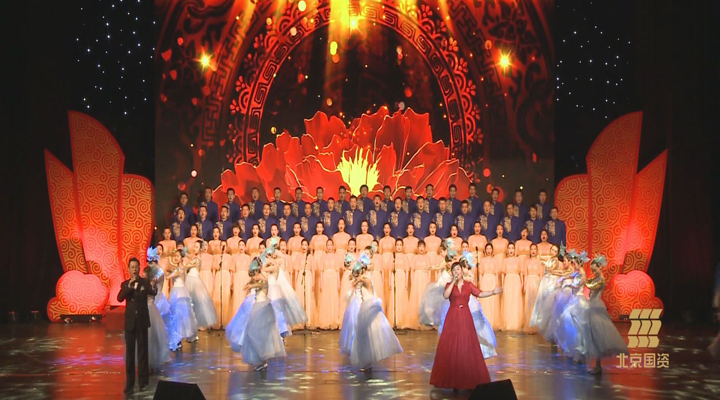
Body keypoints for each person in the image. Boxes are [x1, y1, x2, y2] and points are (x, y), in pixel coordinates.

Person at [429, 262, 496, 390]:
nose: (456, 272)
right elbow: (445, 295)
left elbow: (480, 293)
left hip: (465, 316)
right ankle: (452, 378)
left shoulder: (468, 285)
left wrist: (493, 292)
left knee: (466, 344)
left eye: (458, 269)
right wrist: (453, 282)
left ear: (462, 271)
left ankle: (468, 377)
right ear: (452, 273)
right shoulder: (449, 285)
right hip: (453, 316)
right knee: (451, 345)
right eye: (454, 270)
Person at [340, 252, 403, 372]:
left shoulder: (367, 279)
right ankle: (365, 361)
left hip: (368, 308)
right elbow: (352, 282)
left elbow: (365, 285)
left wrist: (358, 277)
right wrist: (354, 275)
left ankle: (367, 362)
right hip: (361, 306)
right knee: (361, 335)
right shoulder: (360, 279)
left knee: (369, 335)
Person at [225, 260, 286, 371]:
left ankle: (262, 361)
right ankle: (260, 360)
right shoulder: (258, 279)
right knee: (253, 334)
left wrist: (250, 285)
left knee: (260, 335)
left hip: (263, 308)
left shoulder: (263, 280)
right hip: (257, 307)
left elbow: (258, 284)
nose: (253, 277)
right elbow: (252, 284)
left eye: (254, 274)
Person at [118, 257, 157, 395]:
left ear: (139, 268)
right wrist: (129, 286)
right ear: (129, 269)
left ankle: (143, 383)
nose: (134, 269)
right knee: (130, 355)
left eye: (136, 267)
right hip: (130, 323)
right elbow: (119, 298)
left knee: (142, 353)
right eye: (132, 267)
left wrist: (154, 285)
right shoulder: (125, 284)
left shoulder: (144, 282)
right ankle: (129, 384)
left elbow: (153, 292)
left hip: (142, 322)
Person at [142, 251, 172, 372]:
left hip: (154, 303)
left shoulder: (158, 274)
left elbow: (155, 287)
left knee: (156, 333)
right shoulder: (147, 277)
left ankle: (153, 359)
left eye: (151, 261)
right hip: (147, 306)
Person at [166, 250, 198, 346]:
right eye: (175, 256)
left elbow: (168, 277)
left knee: (178, 316)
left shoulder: (179, 269)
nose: (175, 258)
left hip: (179, 293)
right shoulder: (178, 268)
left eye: (177, 256)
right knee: (177, 315)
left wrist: (167, 273)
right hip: (177, 291)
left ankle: (178, 338)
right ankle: (178, 338)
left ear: (181, 258)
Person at [184, 241, 218, 330]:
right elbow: (188, 256)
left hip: (194, 280)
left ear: (200, 249)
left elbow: (188, 265)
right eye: (194, 246)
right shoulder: (194, 257)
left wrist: (182, 264)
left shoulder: (198, 259)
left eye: (197, 247)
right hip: (190, 278)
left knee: (196, 301)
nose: (194, 248)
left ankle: (197, 323)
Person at [408, 240, 432, 329]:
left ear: (425, 248)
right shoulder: (414, 258)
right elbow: (412, 271)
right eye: (420, 246)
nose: (421, 248)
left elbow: (429, 271)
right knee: (416, 297)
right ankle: (416, 321)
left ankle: (425, 321)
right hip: (417, 278)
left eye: (423, 247)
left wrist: (429, 281)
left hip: (424, 278)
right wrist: (412, 281)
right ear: (417, 248)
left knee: (424, 297)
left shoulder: (427, 258)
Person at [318, 239, 341, 329]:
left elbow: (337, 271)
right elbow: (321, 271)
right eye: (328, 245)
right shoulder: (323, 257)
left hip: (333, 278)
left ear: (333, 246)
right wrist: (321, 283)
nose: (329, 247)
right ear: (326, 246)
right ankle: (326, 321)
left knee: (333, 297)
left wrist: (338, 282)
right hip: (325, 278)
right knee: (325, 298)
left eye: (331, 245)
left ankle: (333, 321)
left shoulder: (336, 256)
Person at [293, 238, 317, 329]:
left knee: (308, 298)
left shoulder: (310, 257)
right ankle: (300, 321)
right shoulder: (298, 257)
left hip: (308, 276)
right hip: (300, 277)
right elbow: (296, 270)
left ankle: (308, 321)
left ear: (308, 247)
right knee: (300, 297)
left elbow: (313, 270)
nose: (304, 247)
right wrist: (296, 281)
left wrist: (313, 282)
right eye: (302, 245)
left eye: (305, 245)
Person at [500, 243, 523, 331]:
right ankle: (508, 323)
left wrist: (522, 283)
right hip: (508, 280)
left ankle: (516, 323)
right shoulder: (505, 260)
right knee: (508, 301)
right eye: (509, 248)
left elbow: (521, 272)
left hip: (516, 280)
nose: (511, 250)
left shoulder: (518, 260)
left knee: (516, 301)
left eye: (512, 248)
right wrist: (502, 284)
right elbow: (503, 273)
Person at [389, 239, 411, 328]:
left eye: (400, 245)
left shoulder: (405, 257)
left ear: (402, 246)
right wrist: (390, 281)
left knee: (401, 297)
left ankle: (402, 321)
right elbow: (390, 270)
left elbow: (407, 270)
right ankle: (394, 321)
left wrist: (406, 281)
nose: (399, 247)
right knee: (394, 297)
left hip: (402, 276)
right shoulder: (392, 256)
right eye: (397, 245)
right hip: (394, 277)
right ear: (395, 246)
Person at [479, 244, 501, 329]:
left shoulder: (495, 261)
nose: (488, 250)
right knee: (485, 301)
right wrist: (480, 284)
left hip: (492, 280)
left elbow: (496, 274)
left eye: (490, 249)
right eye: (487, 249)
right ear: (485, 250)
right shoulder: (482, 260)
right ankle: (484, 320)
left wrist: (497, 284)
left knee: (492, 300)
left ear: (492, 250)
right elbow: (481, 273)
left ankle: (492, 321)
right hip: (485, 280)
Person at [522, 244, 543, 333]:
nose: (533, 251)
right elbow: (526, 275)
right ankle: (529, 325)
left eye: (535, 249)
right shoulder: (526, 261)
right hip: (529, 282)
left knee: (536, 304)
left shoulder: (540, 262)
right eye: (532, 249)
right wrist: (524, 285)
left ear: (537, 251)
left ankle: (536, 326)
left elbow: (541, 275)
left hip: (537, 282)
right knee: (528, 303)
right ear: (529, 251)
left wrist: (541, 286)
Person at [231, 240, 251, 316]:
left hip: (246, 278)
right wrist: (232, 282)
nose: (241, 247)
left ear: (245, 247)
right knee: (237, 296)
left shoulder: (248, 257)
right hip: (237, 278)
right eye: (240, 245)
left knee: (245, 296)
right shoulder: (235, 257)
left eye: (243, 245)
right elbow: (233, 271)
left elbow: (250, 271)